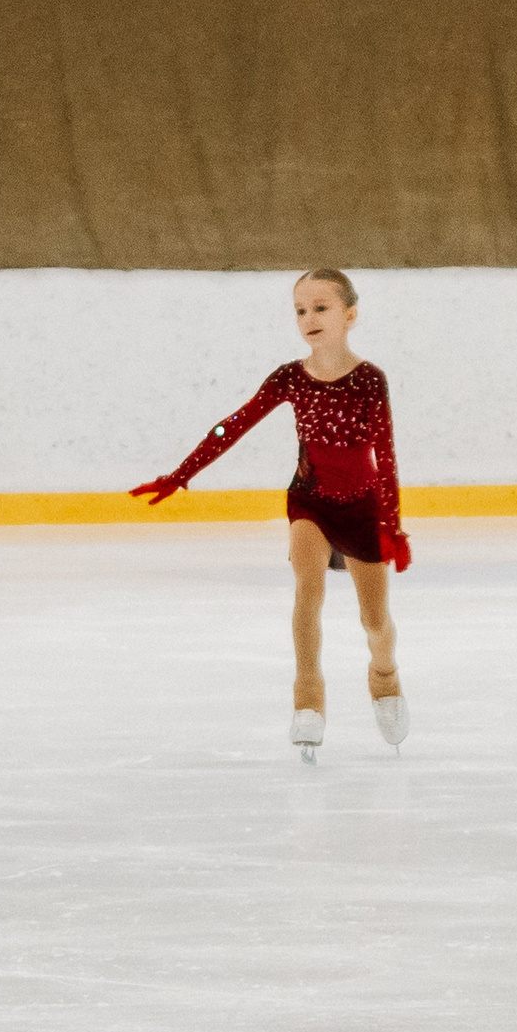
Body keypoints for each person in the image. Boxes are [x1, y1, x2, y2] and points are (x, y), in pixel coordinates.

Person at [132, 269, 410, 761]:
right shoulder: (289, 378)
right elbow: (232, 426)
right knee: (308, 589)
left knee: (375, 621)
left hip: (361, 508)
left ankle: (384, 676)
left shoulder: (369, 380)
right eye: (300, 310)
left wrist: (391, 526)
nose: (308, 318)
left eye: (321, 308)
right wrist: (182, 473)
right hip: (310, 499)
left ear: (350, 315)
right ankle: (308, 699)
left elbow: (384, 456)